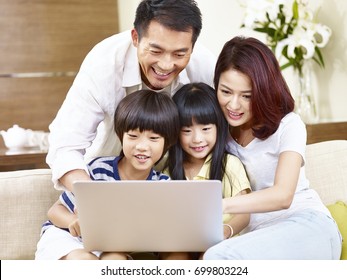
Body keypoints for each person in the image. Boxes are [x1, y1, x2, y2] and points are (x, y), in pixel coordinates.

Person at [46, 0, 216, 192]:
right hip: (105, 178)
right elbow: (65, 145)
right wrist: (91, 196)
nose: (166, 65)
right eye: (156, 51)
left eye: (179, 54)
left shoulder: (204, 66)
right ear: (135, 37)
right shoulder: (103, 64)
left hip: (170, 179)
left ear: (192, 47)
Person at [203, 36, 342, 260]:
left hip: (308, 226)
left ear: (264, 92)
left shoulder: (288, 125)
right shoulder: (216, 133)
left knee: (218, 257)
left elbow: (282, 195)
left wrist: (220, 205)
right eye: (226, 92)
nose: (234, 105)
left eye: (247, 96)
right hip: (259, 238)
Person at [35, 90, 181, 260]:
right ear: (121, 136)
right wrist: (73, 221)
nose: (142, 146)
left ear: (168, 142)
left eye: (154, 138)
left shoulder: (163, 185)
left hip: (110, 247)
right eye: (133, 136)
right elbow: (54, 211)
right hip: (68, 239)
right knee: (84, 260)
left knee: (115, 259)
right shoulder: (98, 170)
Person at [164, 82, 251, 259]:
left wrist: (225, 231)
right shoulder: (169, 171)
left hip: (222, 241)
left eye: (205, 129)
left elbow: (244, 214)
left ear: (218, 127)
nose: (197, 139)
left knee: (210, 255)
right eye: (187, 130)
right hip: (184, 241)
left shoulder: (229, 164)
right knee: (174, 257)